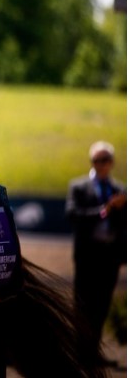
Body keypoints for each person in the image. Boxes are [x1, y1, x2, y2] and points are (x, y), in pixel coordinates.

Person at [66, 141, 127, 358]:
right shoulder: (79, 186)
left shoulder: (120, 189)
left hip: (109, 256)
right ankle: (79, 350)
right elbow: (73, 216)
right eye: (97, 160)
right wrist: (105, 210)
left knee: (102, 304)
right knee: (82, 302)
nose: (101, 165)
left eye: (105, 160)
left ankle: (93, 351)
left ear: (111, 163)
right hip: (87, 255)